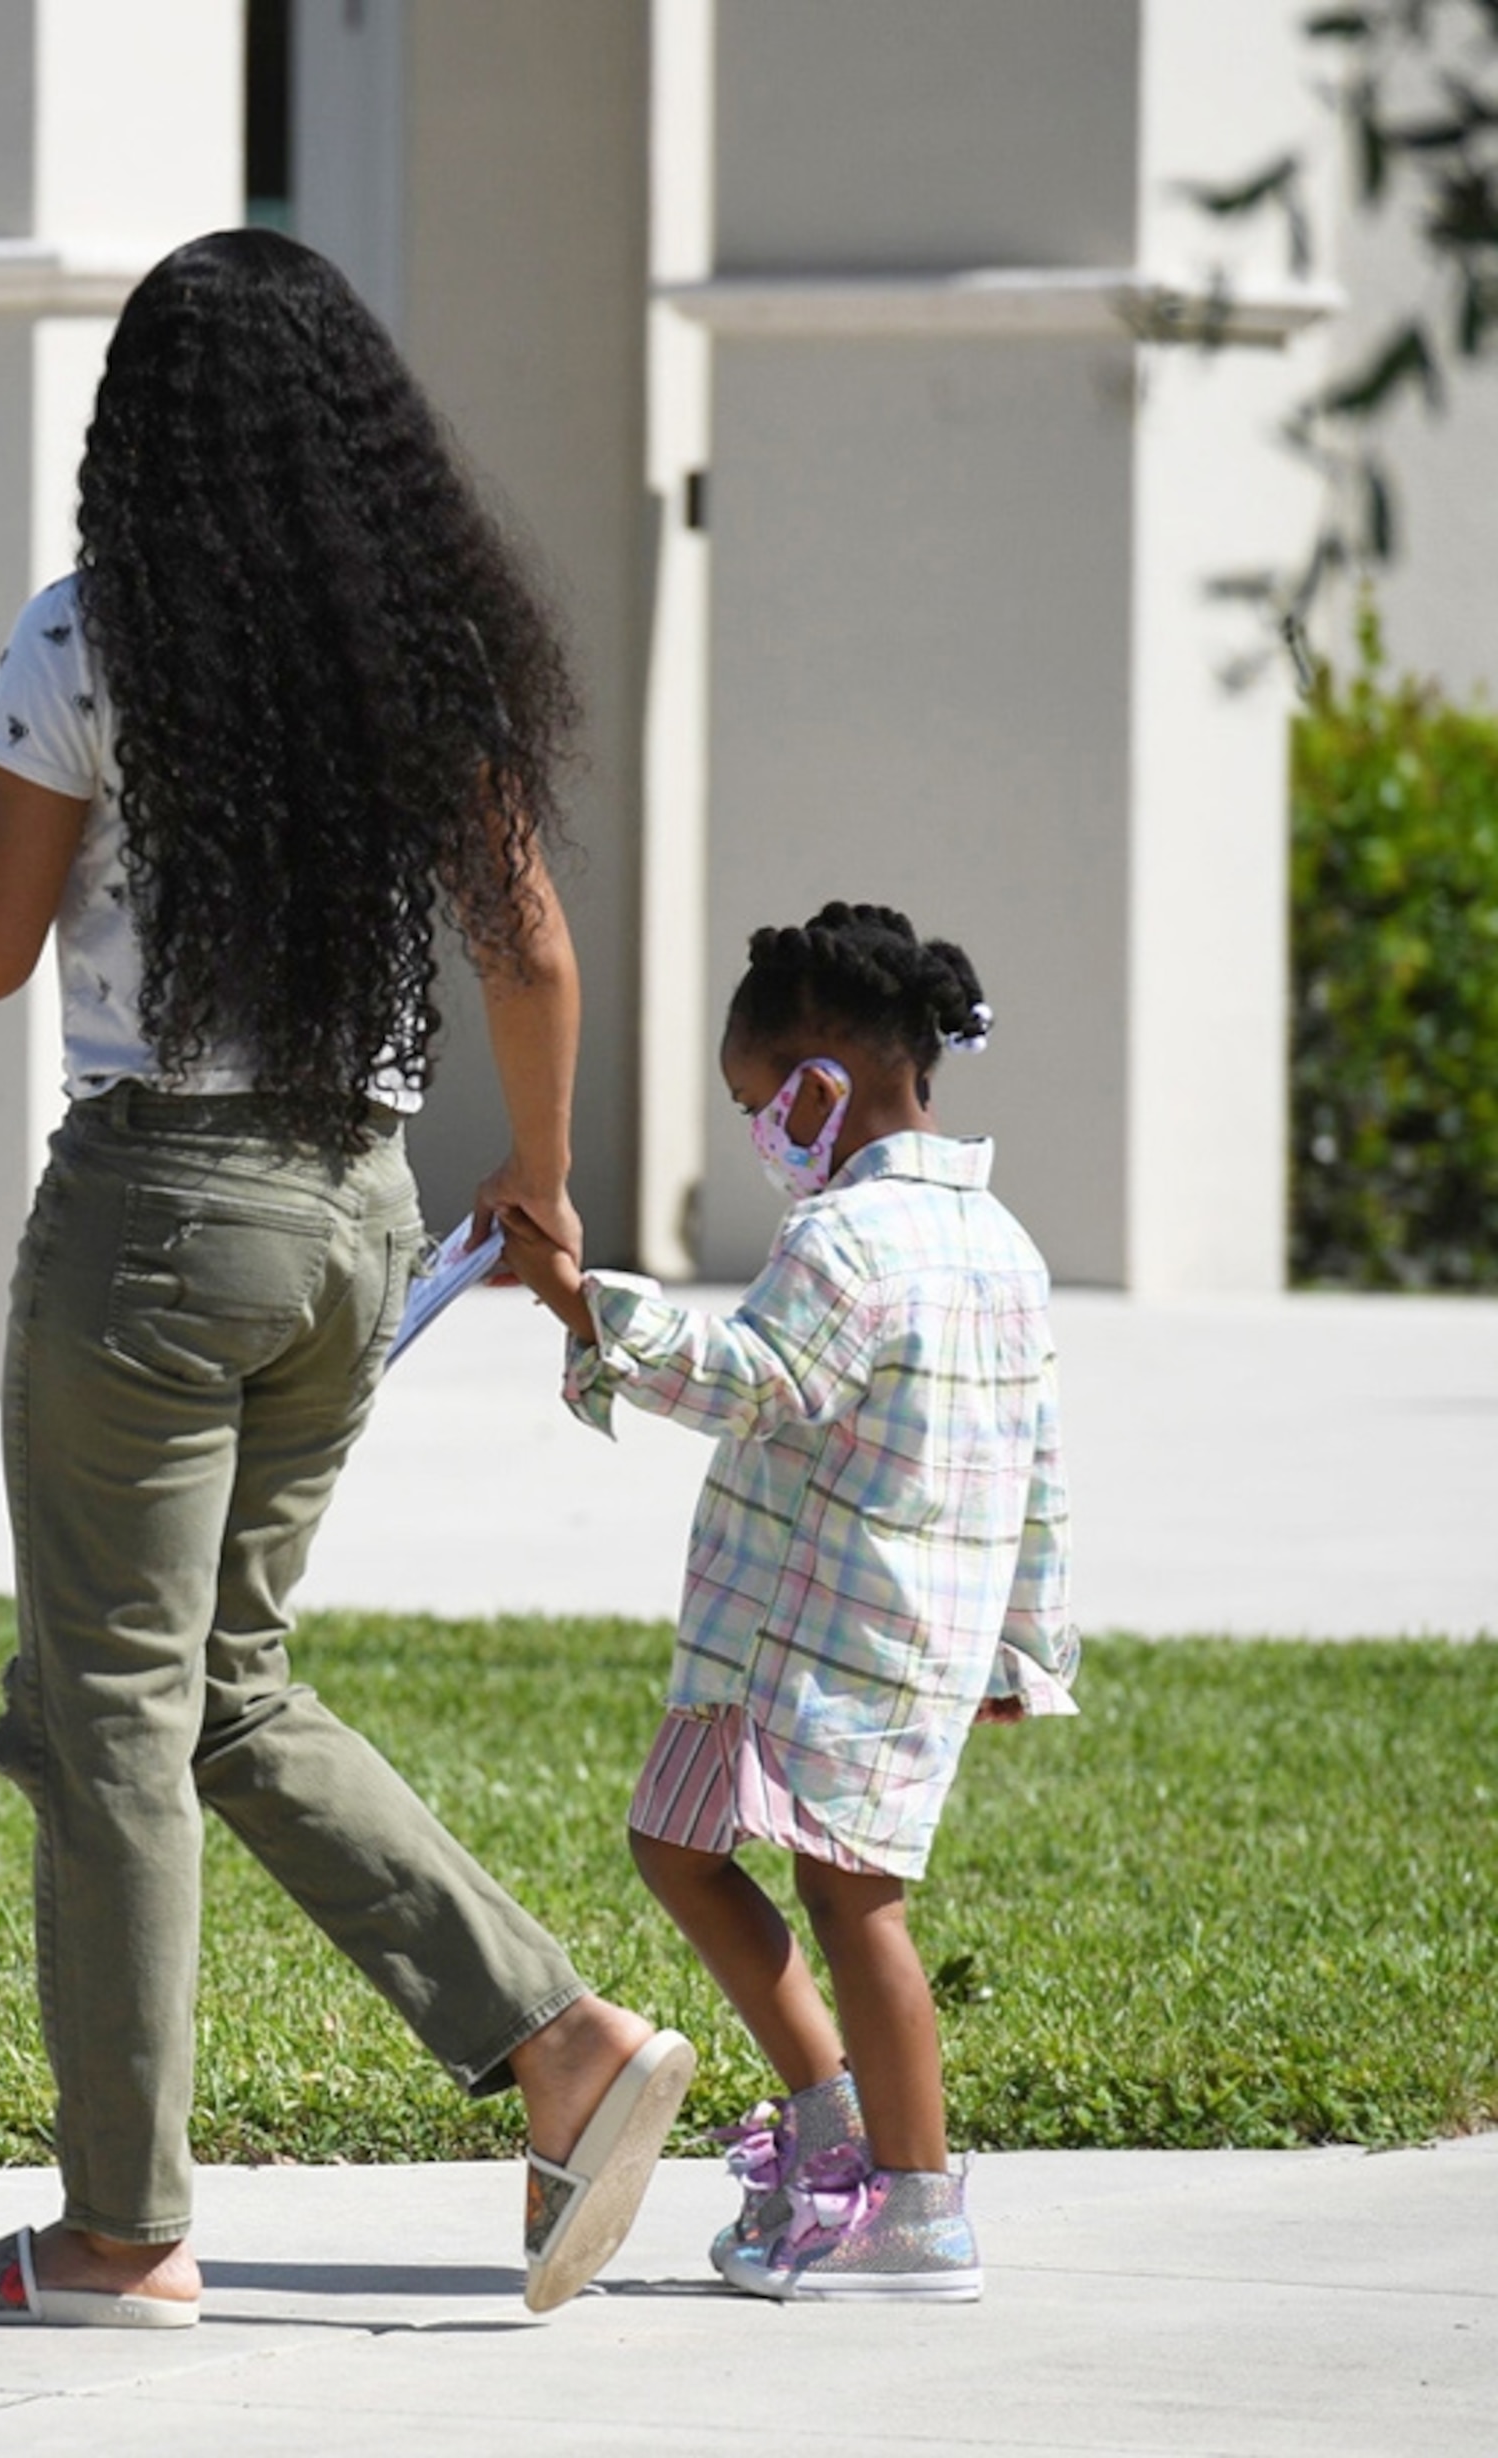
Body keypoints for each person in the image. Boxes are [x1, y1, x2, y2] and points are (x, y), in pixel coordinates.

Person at [0, 228, 693, 2331]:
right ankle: (564, 2042)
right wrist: (541, 1180)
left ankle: (123, 2232)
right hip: (357, 1206)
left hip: (153, 1216)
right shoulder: (415, 649)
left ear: (138, 438)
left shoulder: (88, 640)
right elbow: (530, 948)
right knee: (218, 1686)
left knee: (111, 1724)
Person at [498, 901, 1077, 2303]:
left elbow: (754, 1378)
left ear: (826, 1074)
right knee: (684, 1838)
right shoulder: (1004, 1245)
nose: (767, 1134)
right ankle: (838, 2136)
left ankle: (918, 2203)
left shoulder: (849, 1241)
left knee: (850, 1897)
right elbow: (1040, 1465)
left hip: (821, 1636)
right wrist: (1025, 1642)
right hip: (900, 1637)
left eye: (763, 1104)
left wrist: (588, 1309)